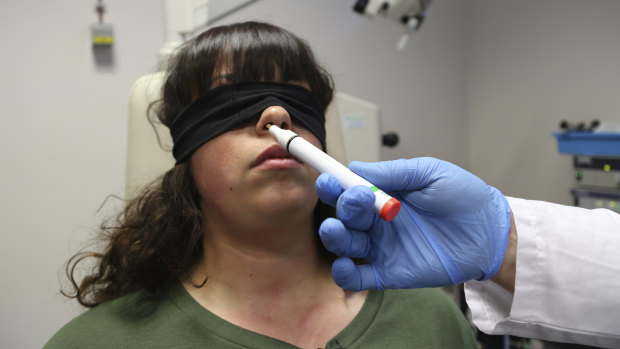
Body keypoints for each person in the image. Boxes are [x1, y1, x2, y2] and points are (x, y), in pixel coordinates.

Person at [44, 22, 478, 348]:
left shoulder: (431, 321)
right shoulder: (98, 343)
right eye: (234, 101)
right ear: (187, 149)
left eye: (295, 100)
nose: (276, 114)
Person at [315, 157, 620, 348]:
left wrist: (502, 242)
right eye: (263, 97)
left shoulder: (433, 314)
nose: (278, 114)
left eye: (300, 106)